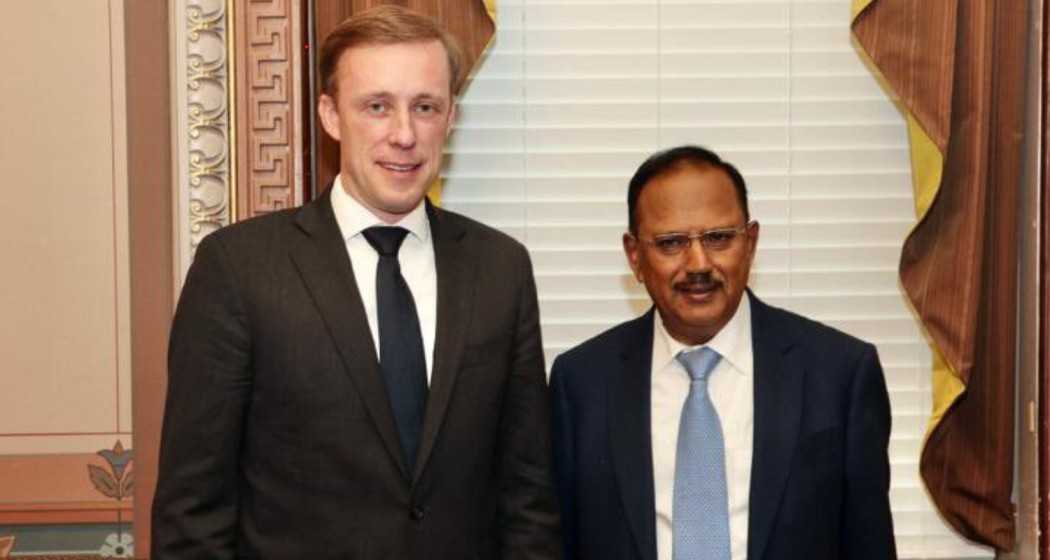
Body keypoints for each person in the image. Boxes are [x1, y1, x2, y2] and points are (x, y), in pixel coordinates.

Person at [152, 6, 560, 558]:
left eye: (425, 107)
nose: (404, 135)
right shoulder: (239, 270)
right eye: (377, 107)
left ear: (451, 119)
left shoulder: (501, 269)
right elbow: (192, 512)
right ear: (331, 115)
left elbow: (527, 500)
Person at [550, 145, 896, 559]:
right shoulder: (582, 384)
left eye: (718, 238)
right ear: (635, 256)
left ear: (750, 243)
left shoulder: (840, 376)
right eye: (671, 243)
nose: (698, 264)